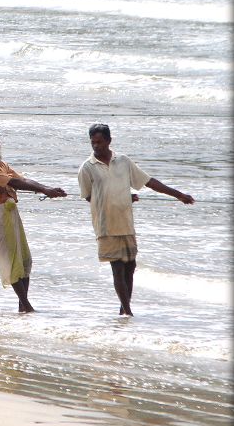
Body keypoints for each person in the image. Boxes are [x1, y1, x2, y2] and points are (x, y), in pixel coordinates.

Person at [77, 123, 194, 317]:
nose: (96, 146)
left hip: (126, 222)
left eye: (99, 142)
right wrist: (116, 197)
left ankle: (124, 308)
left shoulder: (123, 161)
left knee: (130, 266)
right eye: (93, 142)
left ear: (109, 141)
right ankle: (128, 311)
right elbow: (90, 196)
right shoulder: (87, 167)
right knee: (117, 268)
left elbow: (148, 181)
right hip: (106, 224)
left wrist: (178, 194)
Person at [0, 130, 67, 313]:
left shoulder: (0, 164)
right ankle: (26, 305)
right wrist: (45, 190)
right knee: (12, 260)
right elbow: (14, 184)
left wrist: (47, 188)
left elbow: (21, 179)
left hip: (11, 212)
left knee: (24, 260)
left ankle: (22, 306)